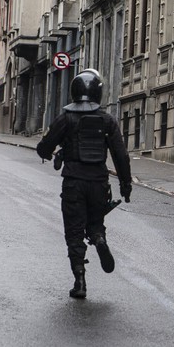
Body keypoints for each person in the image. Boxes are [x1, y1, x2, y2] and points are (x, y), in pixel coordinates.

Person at [36, 69, 132, 299]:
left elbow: (44, 146)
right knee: (96, 222)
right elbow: (121, 155)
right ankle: (98, 238)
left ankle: (79, 280)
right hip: (99, 183)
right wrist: (125, 185)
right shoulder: (107, 120)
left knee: (74, 231)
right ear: (98, 93)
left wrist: (52, 153)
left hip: (73, 183)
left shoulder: (66, 118)